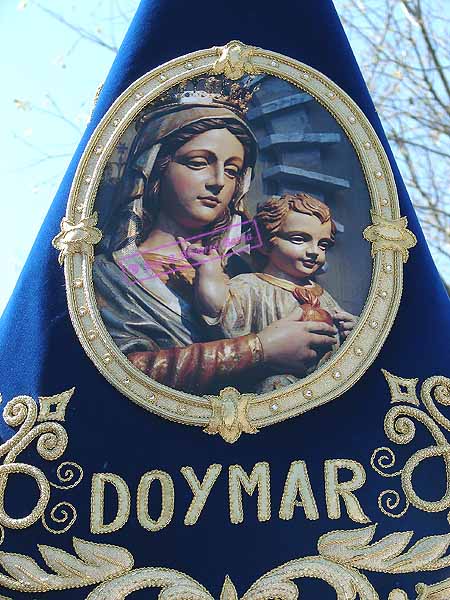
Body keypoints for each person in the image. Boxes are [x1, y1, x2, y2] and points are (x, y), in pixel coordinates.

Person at [93, 80, 337, 395]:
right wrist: (257, 350)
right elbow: (120, 370)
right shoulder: (114, 275)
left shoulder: (248, 274)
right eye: (198, 163)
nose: (219, 182)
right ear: (156, 168)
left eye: (233, 170)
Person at [180, 192, 357, 392]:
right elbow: (220, 312)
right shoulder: (252, 286)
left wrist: (353, 329)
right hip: (274, 384)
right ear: (264, 242)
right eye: (299, 239)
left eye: (322, 244)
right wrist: (208, 272)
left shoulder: (323, 296)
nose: (314, 251)